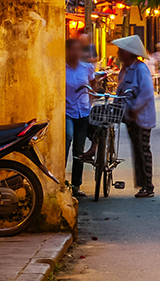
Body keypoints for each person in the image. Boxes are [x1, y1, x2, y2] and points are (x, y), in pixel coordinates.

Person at [112, 35, 157, 198]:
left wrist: (135, 109)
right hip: (129, 115)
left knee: (143, 149)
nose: (118, 54)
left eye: (121, 51)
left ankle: (148, 185)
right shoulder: (125, 69)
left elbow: (146, 93)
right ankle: (142, 184)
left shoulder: (140, 68)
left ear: (128, 53)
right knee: (136, 150)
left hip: (141, 117)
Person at [65, 38, 93, 198]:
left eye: (78, 50)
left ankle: (76, 185)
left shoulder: (86, 68)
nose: (76, 53)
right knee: (67, 138)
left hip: (83, 111)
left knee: (79, 151)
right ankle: (60, 181)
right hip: (67, 111)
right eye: (73, 50)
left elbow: (93, 82)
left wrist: (91, 99)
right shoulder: (61, 68)